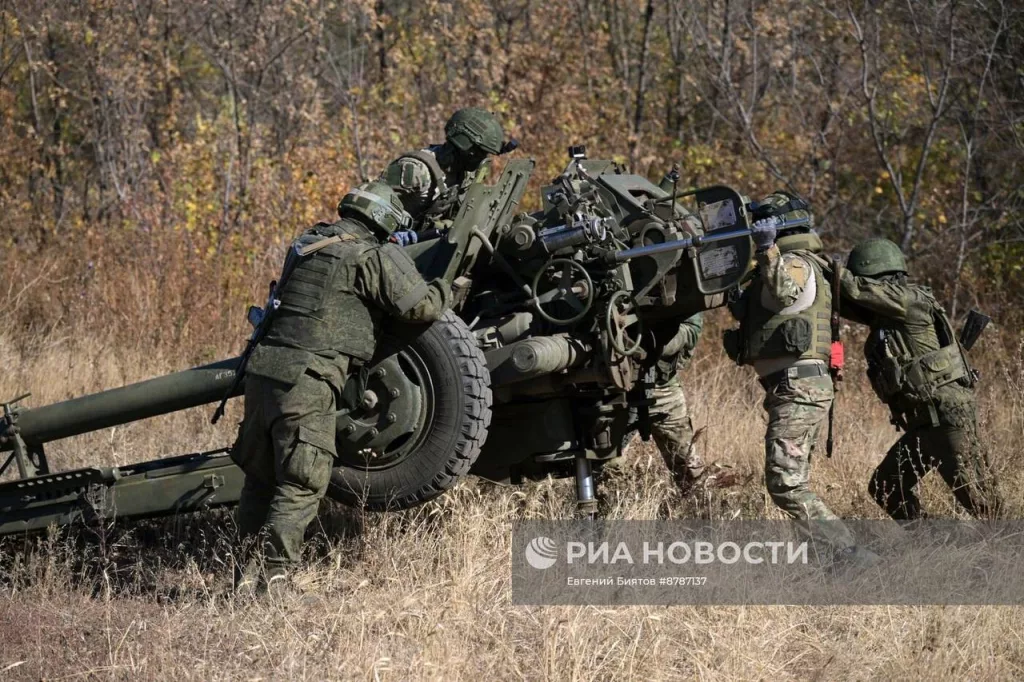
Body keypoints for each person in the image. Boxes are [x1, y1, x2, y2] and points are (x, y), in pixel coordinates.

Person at [231, 181, 450, 594]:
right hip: (308, 381)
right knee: (301, 479)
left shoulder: (308, 244)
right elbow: (423, 307)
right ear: (385, 222)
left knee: (261, 477)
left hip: (263, 375)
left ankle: (243, 576)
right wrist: (448, 287)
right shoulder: (371, 255)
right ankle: (273, 582)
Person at [725, 192, 875, 564]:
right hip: (793, 387)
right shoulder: (785, 262)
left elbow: (784, 293)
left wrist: (767, 249)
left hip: (799, 385)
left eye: (762, 224)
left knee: (784, 483)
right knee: (795, 481)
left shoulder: (794, 262)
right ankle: (825, 563)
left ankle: (849, 552)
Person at [839, 238, 1001, 520]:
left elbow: (853, 289)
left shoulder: (907, 301)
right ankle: (930, 543)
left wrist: (820, 263)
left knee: (982, 503)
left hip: (946, 416)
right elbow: (847, 300)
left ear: (880, 279)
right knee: (886, 486)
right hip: (924, 422)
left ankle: (1008, 553)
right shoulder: (888, 313)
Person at [378, 107, 513, 245]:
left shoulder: (466, 175)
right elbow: (369, 205)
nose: (482, 159)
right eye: (480, 153)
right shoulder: (415, 170)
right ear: (465, 145)